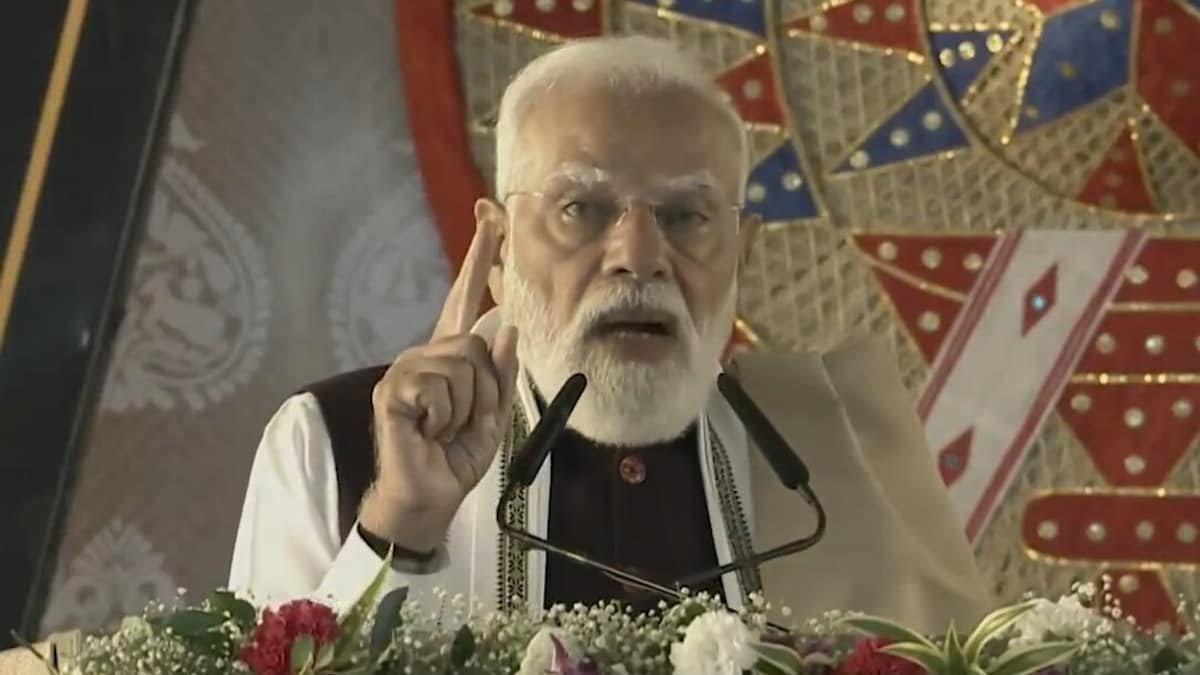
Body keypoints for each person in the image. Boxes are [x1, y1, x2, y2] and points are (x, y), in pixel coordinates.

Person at [229, 35, 989, 632]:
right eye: (582, 209)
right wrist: (404, 523)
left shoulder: (834, 456)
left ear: (741, 254)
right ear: (498, 248)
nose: (638, 255)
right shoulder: (331, 442)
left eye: (686, 215)